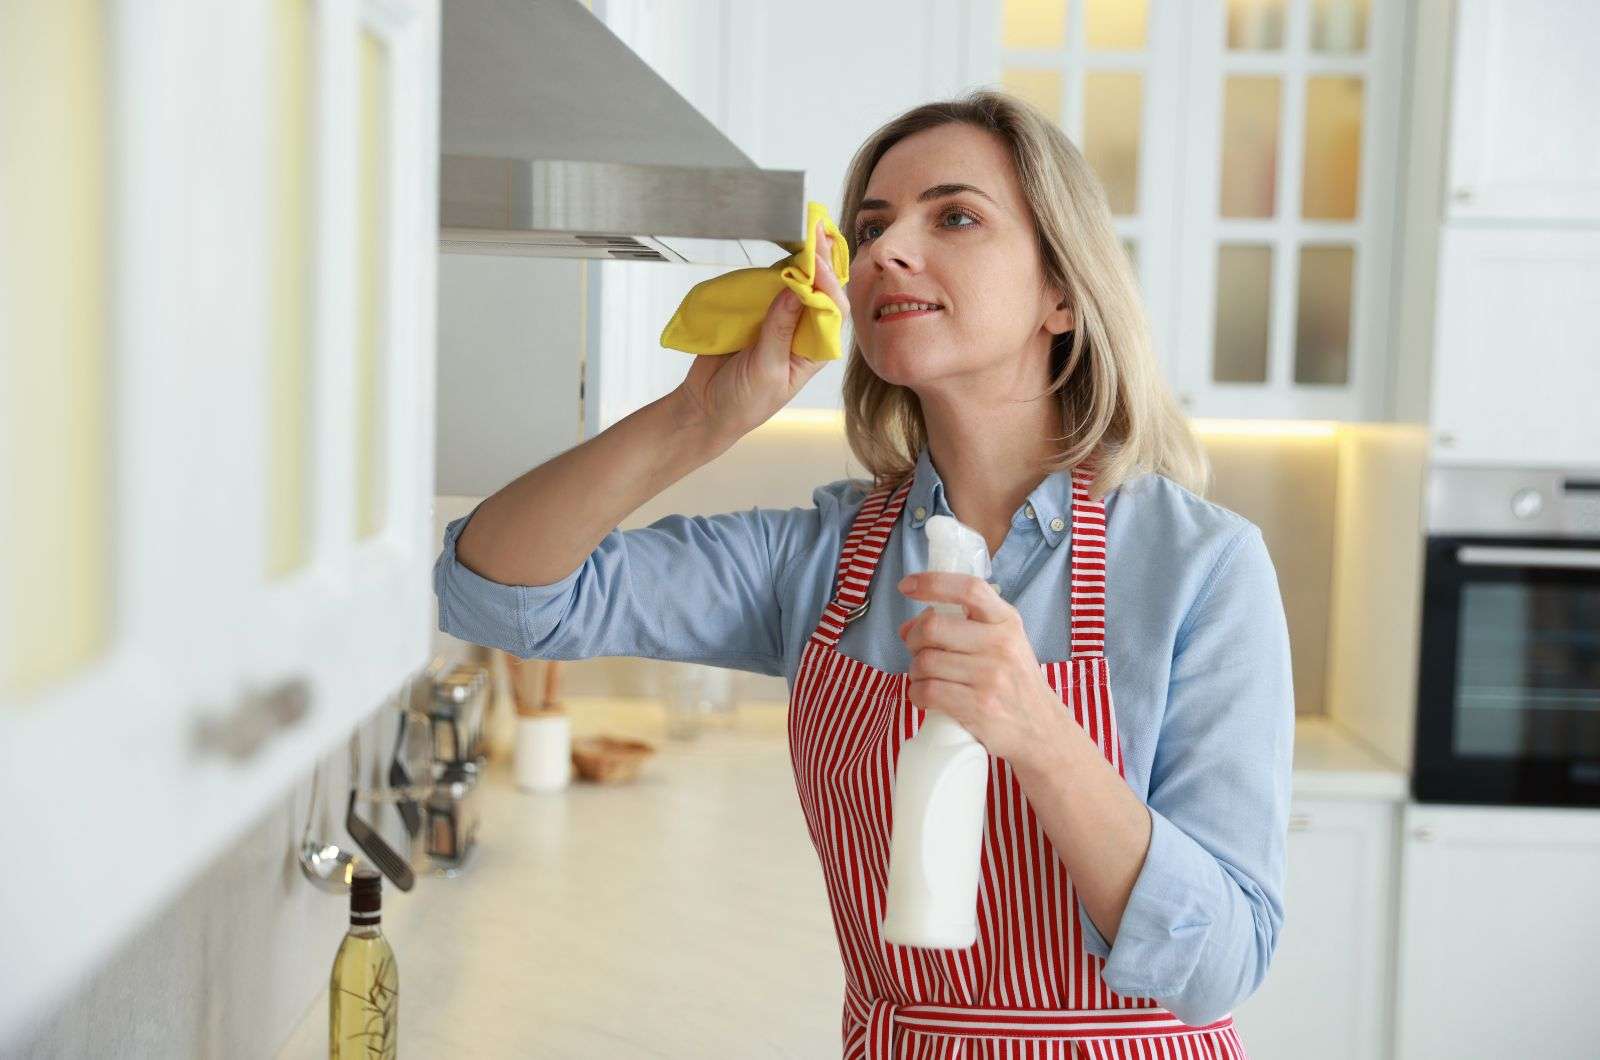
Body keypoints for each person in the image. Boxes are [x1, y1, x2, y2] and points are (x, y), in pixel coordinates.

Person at [435, 89, 1292, 1060]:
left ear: (1061, 292)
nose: (885, 252)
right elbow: (494, 591)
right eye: (872, 226)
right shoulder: (821, 558)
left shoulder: (1201, 568)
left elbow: (1222, 964)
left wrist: (1040, 733)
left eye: (954, 217)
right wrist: (696, 419)